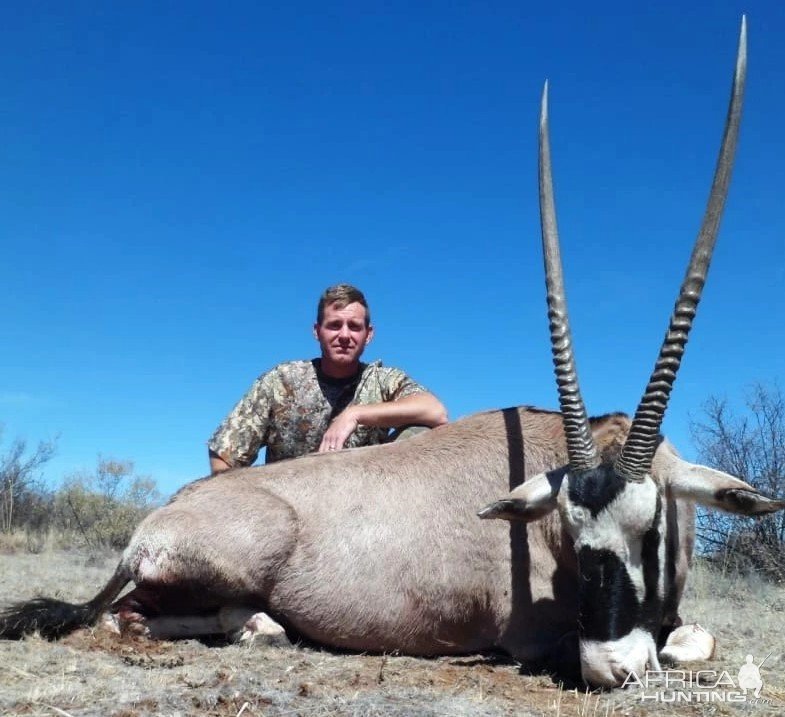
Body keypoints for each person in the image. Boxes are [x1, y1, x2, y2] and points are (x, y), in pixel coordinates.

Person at [208, 283, 448, 474]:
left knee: (421, 430)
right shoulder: (280, 380)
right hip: (294, 512)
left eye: (354, 327)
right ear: (317, 331)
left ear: (368, 335)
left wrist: (355, 414)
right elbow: (223, 459)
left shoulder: (383, 380)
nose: (345, 335)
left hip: (363, 507)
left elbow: (435, 412)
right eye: (334, 325)